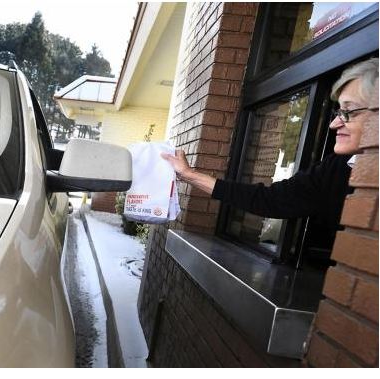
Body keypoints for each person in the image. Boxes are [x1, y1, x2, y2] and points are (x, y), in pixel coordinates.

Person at [161, 57, 378, 253]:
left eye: (349, 112)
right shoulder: (336, 167)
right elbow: (271, 200)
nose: (333, 124)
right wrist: (189, 175)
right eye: (338, 112)